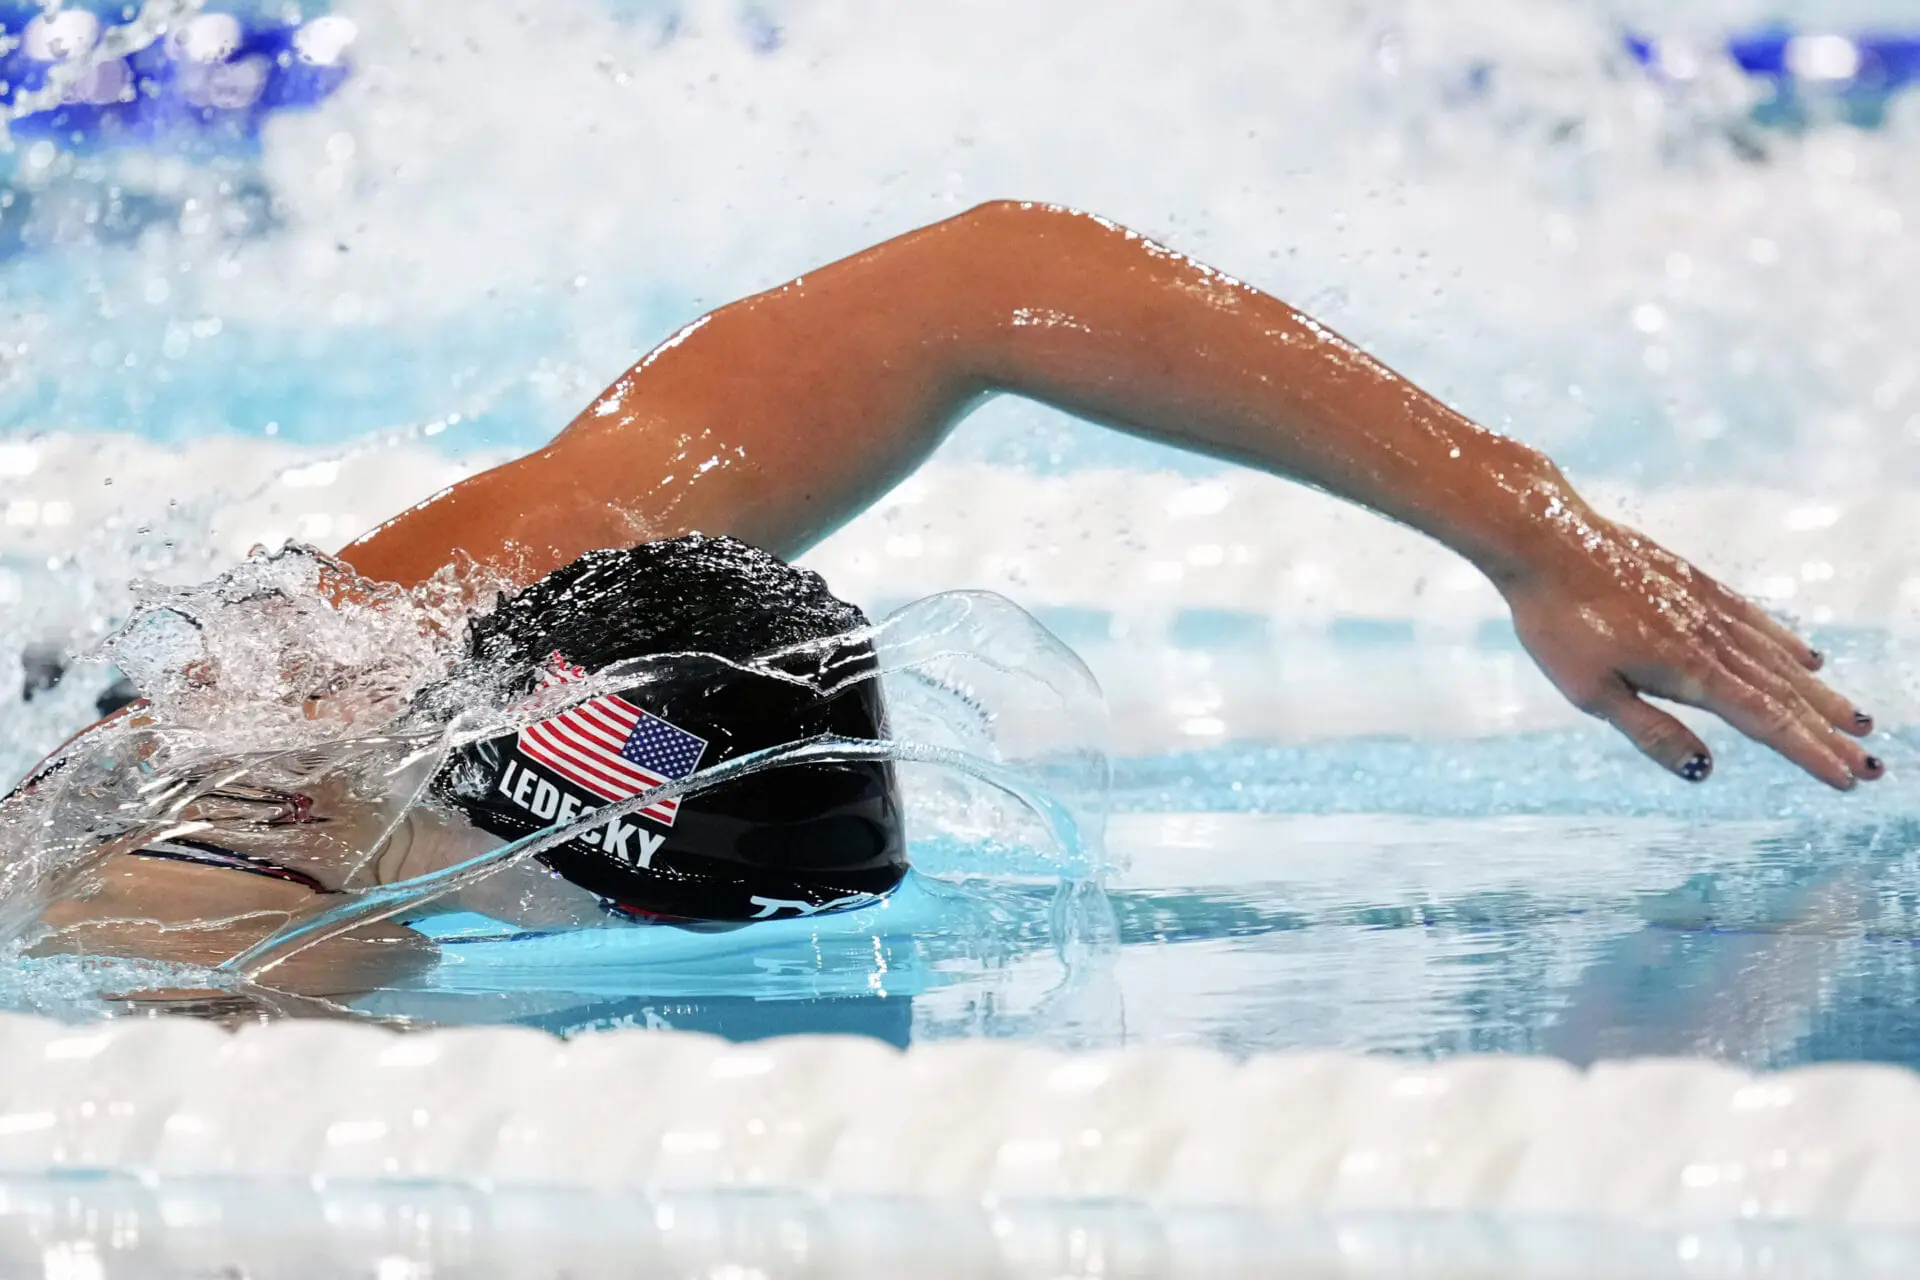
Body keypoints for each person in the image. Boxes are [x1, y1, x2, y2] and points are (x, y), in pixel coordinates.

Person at [7, 200, 1883, 998]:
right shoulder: (226, 913)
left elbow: (987, 276)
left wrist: (1531, 529)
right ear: (572, 855)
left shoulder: (484, 592)